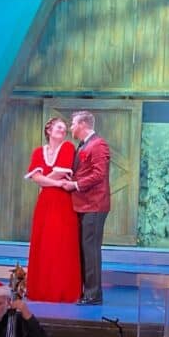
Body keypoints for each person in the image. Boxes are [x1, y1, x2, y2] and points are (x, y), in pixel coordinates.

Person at [24, 117, 81, 303]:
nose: (62, 131)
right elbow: (36, 178)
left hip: (62, 201)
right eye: (59, 127)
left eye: (65, 129)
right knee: (44, 242)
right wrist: (55, 183)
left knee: (60, 243)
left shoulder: (68, 148)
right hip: (46, 202)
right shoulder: (38, 151)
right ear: (48, 129)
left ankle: (61, 290)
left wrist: (46, 181)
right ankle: (41, 289)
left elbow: (58, 172)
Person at [63, 111, 111, 306]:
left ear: (83, 124)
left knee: (91, 250)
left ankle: (93, 294)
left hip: (94, 204)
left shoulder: (98, 144)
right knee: (85, 249)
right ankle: (87, 291)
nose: (71, 127)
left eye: (73, 124)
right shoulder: (83, 145)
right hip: (84, 204)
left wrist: (75, 185)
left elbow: (100, 174)